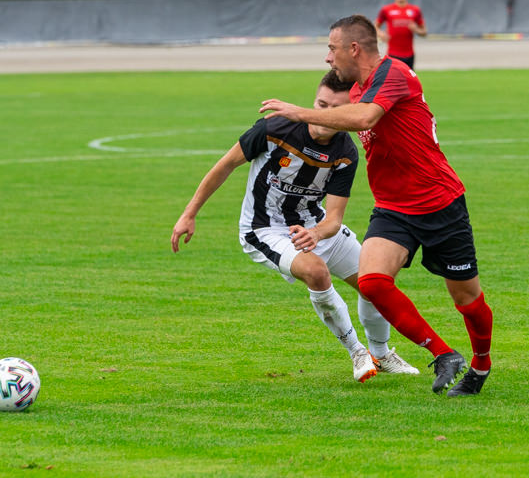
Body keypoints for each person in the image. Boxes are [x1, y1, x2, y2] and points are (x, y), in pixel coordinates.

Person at [260, 15, 493, 397]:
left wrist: (299, 111)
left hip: (439, 203)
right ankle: (443, 354)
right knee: (371, 282)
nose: (327, 58)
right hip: (394, 208)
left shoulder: (394, 73)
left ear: (354, 48)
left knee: (466, 299)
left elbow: (366, 117)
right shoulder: (356, 93)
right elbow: (350, 117)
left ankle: (481, 366)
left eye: (332, 48)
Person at [171, 70, 419, 383]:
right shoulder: (275, 128)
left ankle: (381, 354)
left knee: (375, 281)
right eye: (321, 104)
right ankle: (357, 351)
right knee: (316, 272)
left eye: (336, 110)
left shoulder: (345, 153)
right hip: (264, 229)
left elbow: (334, 219)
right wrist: (189, 213)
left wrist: (315, 232)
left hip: (314, 227)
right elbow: (226, 164)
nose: (324, 115)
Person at [374, 0, 426, 70]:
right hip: (393, 55)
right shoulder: (386, 10)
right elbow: (374, 26)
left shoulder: (415, 10)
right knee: (394, 83)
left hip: (409, 55)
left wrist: (416, 29)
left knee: (409, 82)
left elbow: (424, 32)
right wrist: (381, 33)